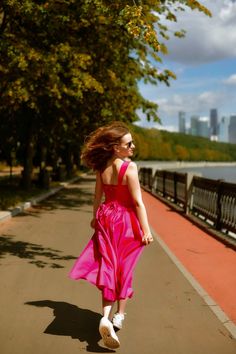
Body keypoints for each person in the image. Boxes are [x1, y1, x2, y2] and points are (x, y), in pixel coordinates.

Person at [69, 121, 153, 349]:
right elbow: (137, 202)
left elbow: (97, 197)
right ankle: (119, 316)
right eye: (129, 143)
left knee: (109, 266)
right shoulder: (130, 168)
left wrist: (95, 217)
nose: (133, 146)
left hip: (107, 218)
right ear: (117, 147)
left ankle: (105, 317)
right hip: (126, 222)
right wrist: (146, 230)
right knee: (125, 269)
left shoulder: (101, 167)